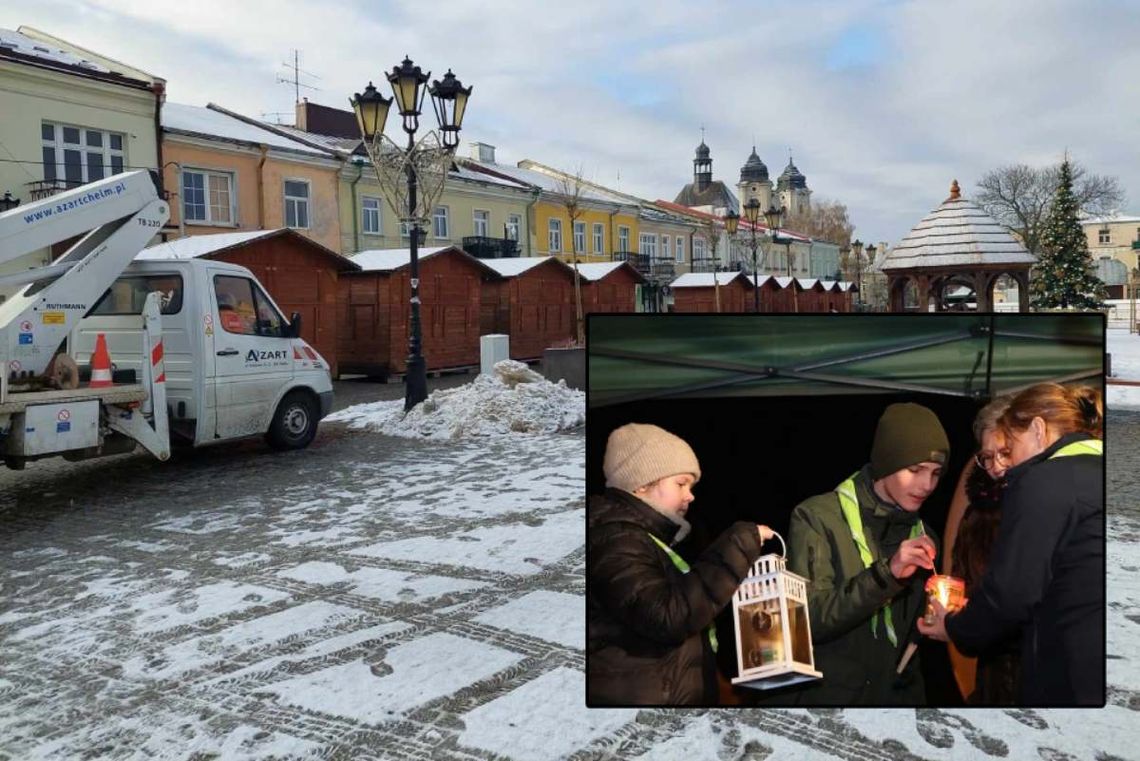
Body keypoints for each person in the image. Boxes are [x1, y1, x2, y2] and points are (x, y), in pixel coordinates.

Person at [920, 383, 1104, 706]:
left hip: (1064, 672)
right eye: (988, 457)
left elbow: (1011, 595)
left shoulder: (1041, 480)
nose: (1006, 465)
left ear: (1036, 429)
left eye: (1008, 450)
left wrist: (954, 626)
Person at [587, 423, 775, 705]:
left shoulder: (645, 539)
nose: (690, 495)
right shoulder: (614, 539)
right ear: (642, 483)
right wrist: (737, 545)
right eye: (681, 483)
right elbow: (668, 616)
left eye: (692, 486)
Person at [786, 402, 945, 705]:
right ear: (886, 462)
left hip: (895, 706)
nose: (927, 485)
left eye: (936, 473)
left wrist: (942, 619)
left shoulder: (923, 534)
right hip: (829, 708)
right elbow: (810, 620)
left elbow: (909, 645)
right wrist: (887, 574)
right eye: (915, 470)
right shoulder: (818, 517)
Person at [942, 396, 1021, 704]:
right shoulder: (977, 512)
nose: (996, 466)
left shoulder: (1042, 506)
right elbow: (963, 582)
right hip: (991, 669)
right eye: (987, 457)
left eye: (1005, 453)